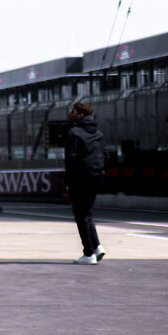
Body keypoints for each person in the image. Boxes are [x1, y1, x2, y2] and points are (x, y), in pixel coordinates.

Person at [63, 100, 106, 264]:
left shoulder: (74, 132)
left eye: (72, 111)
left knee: (80, 215)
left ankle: (89, 253)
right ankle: (96, 246)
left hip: (80, 177)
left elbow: (71, 159)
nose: (69, 113)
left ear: (80, 115)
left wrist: (68, 180)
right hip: (96, 176)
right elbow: (106, 155)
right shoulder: (99, 133)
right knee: (87, 213)